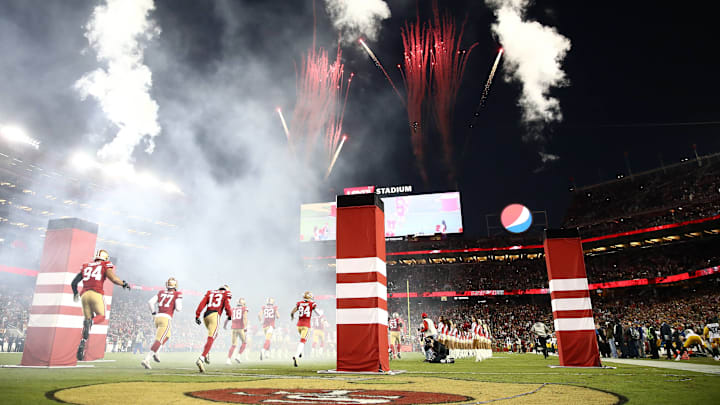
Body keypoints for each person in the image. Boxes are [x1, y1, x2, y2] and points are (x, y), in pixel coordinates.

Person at [71, 249, 130, 361]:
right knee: (101, 316)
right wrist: (123, 284)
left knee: (86, 321)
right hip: (96, 293)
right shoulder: (104, 264)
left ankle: (82, 342)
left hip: (84, 295)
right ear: (106, 258)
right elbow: (113, 279)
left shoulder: (86, 266)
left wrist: (75, 293)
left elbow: (74, 283)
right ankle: (91, 322)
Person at [141, 277, 182, 369]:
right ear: (175, 285)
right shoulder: (177, 294)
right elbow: (179, 308)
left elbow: (150, 302)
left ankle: (157, 352)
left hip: (157, 317)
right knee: (159, 340)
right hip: (166, 318)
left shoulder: (161, 292)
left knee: (167, 336)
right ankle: (147, 359)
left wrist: (153, 313)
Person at [194, 285, 232, 372]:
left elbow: (202, 303)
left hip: (205, 316)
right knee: (211, 337)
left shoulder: (210, 292)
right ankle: (201, 358)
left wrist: (197, 315)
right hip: (215, 315)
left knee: (214, 335)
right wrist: (229, 315)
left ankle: (206, 353)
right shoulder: (226, 293)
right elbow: (227, 306)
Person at [290, 291, 318, 367]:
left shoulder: (299, 303)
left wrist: (292, 317)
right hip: (306, 325)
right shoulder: (312, 304)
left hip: (298, 325)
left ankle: (300, 352)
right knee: (303, 341)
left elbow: (292, 312)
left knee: (302, 341)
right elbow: (318, 313)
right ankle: (296, 355)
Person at [226, 297, 248, 364]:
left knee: (233, 345)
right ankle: (238, 356)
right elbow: (245, 318)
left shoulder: (233, 309)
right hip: (240, 328)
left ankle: (228, 359)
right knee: (244, 342)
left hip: (233, 328)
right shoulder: (244, 309)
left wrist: (225, 325)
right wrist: (245, 327)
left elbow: (228, 318)